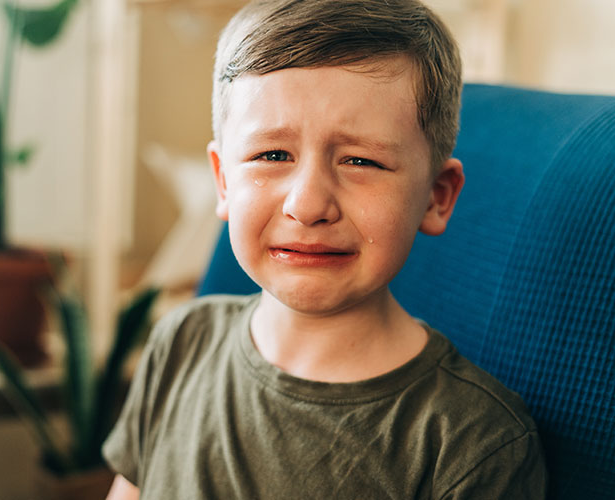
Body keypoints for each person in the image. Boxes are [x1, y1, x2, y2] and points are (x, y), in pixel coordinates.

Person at [103, 0, 548, 498]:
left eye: (361, 160)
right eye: (272, 155)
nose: (309, 204)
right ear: (223, 183)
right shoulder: (180, 344)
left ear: (436, 197)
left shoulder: (471, 443)